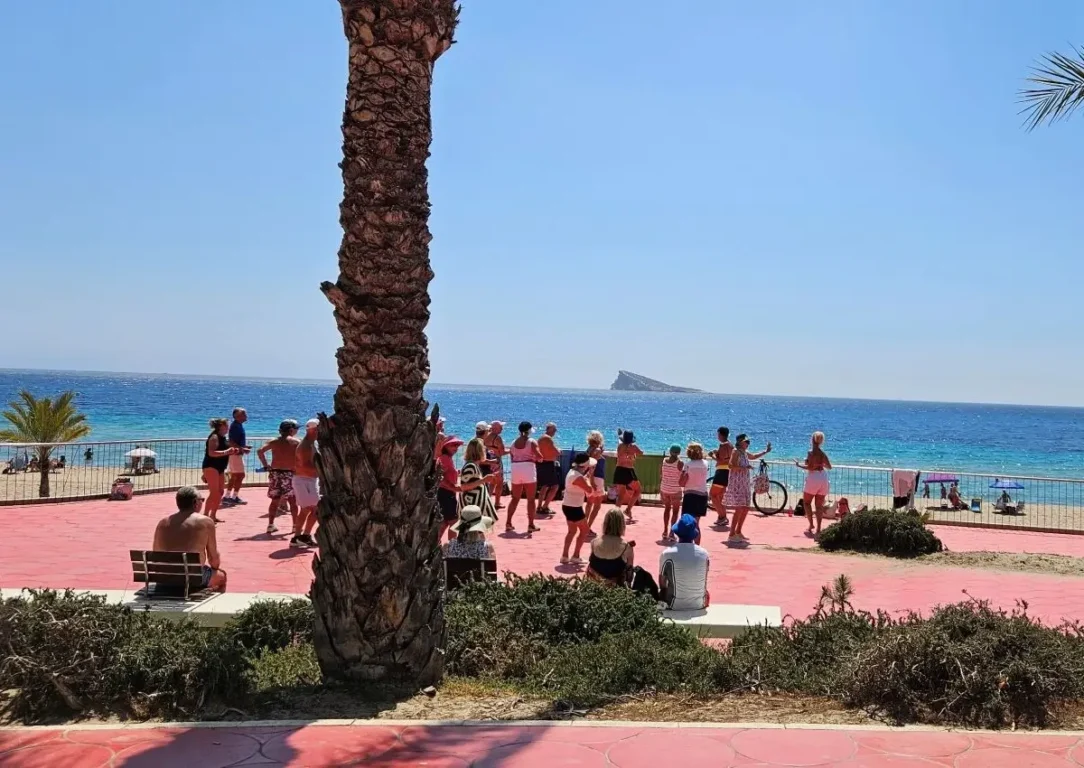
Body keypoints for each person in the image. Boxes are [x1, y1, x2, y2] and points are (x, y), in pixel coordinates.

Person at [152, 486, 227, 592]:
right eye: (202, 500)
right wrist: (215, 568)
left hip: (164, 579)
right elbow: (214, 560)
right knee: (221, 576)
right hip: (191, 579)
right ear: (195, 502)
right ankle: (211, 605)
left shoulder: (163, 523)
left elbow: (156, 555)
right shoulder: (205, 522)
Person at [724, 434, 772, 545]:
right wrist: (744, 468)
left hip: (744, 482)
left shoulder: (744, 452)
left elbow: (754, 456)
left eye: (748, 442)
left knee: (745, 507)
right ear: (740, 442)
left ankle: (738, 531)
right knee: (739, 508)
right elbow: (731, 465)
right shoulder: (736, 452)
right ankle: (731, 534)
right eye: (746, 442)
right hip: (737, 483)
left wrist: (766, 451)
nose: (748, 444)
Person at [256, 420, 300, 535]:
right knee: (293, 501)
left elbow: (260, 451)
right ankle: (295, 526)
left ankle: (270, 525)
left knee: (275, 500)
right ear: (291, 430)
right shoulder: (296, 442)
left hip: (275, 473)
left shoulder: (274, 441)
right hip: (289, 474)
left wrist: (266, 465)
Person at [658, 513, 710, 611]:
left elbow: (662, 583)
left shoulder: (667, 553)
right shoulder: (704, 554)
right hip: (699, 604)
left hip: (674, 604)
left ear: (677, 532)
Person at [560, 452, 601, 565]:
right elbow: (589, 490)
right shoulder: (577, 477)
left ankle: (565, 555)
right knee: (584, 531)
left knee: (572, 531)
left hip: (568, 505)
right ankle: (575, 555)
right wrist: (590, 476)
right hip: (574, 508)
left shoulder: (572, 472)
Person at [202, 418, 242, 523]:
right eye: (226, 426)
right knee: (214, 492)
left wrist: (233, 451)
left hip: (220, 467)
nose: (228, 427)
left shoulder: (223, 437)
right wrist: (226, 451)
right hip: (211, 466)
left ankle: (213, 516)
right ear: (220, 426)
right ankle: (205, 516)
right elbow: (211, 453)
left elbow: (225, 450)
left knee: (220, 492)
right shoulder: (214, 437)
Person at [505, 421, 542, 533]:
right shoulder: (531, 442)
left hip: (516, 468)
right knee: (531, 499)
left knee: (515, 498)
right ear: (529, 430)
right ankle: (530, 524)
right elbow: (539, 456)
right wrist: (537, 459)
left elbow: (512, 455)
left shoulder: (513, 442)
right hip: (528, 467)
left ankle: (508, 522)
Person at [291, 418, 321, 549]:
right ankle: (300, 536)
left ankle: (302, 536)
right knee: (311, 509)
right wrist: (322, 470)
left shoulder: (310, 444)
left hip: (308, 480)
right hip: (304, 480)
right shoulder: (306, 446)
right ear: (314, 430)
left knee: (310, 509)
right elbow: (303, 466)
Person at [796, 431, 832, 538]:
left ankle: (811, 524)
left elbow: (810, 467)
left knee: (807, 503)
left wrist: (799, 465)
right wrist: (821, 464)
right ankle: (819, 528)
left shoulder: (811, 452)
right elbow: (829, 467)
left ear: (812, 440)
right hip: (823, 477)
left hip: (813, 478)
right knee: (819, 505)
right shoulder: (823, 453)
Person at [587, 508, 635, 586]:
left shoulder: (594, 542)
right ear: (622, 524)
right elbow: (629, 574)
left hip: (595, 588)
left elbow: (592, 565)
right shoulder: (626, 547)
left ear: (605, 523)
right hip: (614, 592)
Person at [679, 442, 711, 543]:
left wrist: (681, 472)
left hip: (690, 495)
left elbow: (682, 483)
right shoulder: (705, 464)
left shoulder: (688, 465)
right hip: (702, 495)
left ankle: (684, 545)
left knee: (685, 522)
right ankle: (697, 546)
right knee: (696, 524)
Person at [460, 438, 498, 521]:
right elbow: (464, 487)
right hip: (472, 508)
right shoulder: (471, 466)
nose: (485, 450)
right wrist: (484, 480)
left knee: (477, 532)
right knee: (473, 532)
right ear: (479, 451)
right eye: (483, 448)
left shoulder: (474, 465)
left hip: (475, 507)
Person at [436, 436, 465, 540]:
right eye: (453, 445)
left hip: (447, 493)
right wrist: (452, 487)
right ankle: (452, 547)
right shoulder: (444, 458)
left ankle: (435, 545)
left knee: (444, 522)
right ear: (446, 446)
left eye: (457, 445)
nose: (456, 448)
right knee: (453, 522)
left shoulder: (447, 458)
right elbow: (439, 476)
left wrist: (457, 472)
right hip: (446, 494)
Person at [223, 407, 251, 507]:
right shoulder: (236, 426)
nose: (246, 416)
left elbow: (233, 441)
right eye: (244, 414)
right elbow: (231, 442)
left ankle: (229, 496)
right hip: (235, 454)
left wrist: (244, 447)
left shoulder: (237, 425)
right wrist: (242, 449)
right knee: (240, 475)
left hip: (236, 453)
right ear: (237, 416)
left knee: (235, 475)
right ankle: (232, 497)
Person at [613, 430, 644, 521]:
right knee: (638, 490)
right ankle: (628, 509)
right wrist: (633, 453)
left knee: (621, 495)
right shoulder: (633, 447)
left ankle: (615, 515)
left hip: (619, 470)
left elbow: (621, 443)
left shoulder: (619, 446)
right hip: (628, 471)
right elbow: (641, 452)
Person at [708, 427, 733, 529]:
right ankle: (721, 517)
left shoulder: (723, 445)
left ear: (721, 435)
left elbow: (721, 460)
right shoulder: (731, 445)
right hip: (728, 472)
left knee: (713, 495)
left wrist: (712, 455)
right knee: (719, 497)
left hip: (721, 472)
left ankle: (722, 517)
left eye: (718, 434)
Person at [659, 445, 684, 542]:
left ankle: (665, 531)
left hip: (664, 488)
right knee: (675, 512)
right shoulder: (680, 463)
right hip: (675, 490)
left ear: (670, 451)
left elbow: (661, 474)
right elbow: (682, 474)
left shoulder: (664, 461)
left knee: (667, 509)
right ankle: (672, 533)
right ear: (679, 452)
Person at [536, 422, 561, 516]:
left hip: (541, 463)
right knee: (555, 486)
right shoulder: (548, 438)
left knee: (544, 486)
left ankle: (539, 506)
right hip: (548, 464)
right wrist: (558, 451)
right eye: (554, 429)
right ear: (549, 429)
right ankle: (545, 506)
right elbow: (556, 452)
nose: (555, 431)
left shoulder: (541, 438)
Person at [585, 430, 607, 535]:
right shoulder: (596, 450)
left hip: (590, 478)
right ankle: (587, 527)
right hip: (596, 478)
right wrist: (592, 481)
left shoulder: (589, 449)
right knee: (597, 506)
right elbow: (592, 466)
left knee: (589, 504)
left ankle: (584, 526)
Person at [483, 421, 507, 510]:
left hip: (488, 461)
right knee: (499, 482)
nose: (502, 429)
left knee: (492, 482)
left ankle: (487, 501)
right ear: (496, 428)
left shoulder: (486, 437)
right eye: (501, 427)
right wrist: (511, 451)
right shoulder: (497, 438)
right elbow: (502, 452)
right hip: (496, 461)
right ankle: (497, 502)